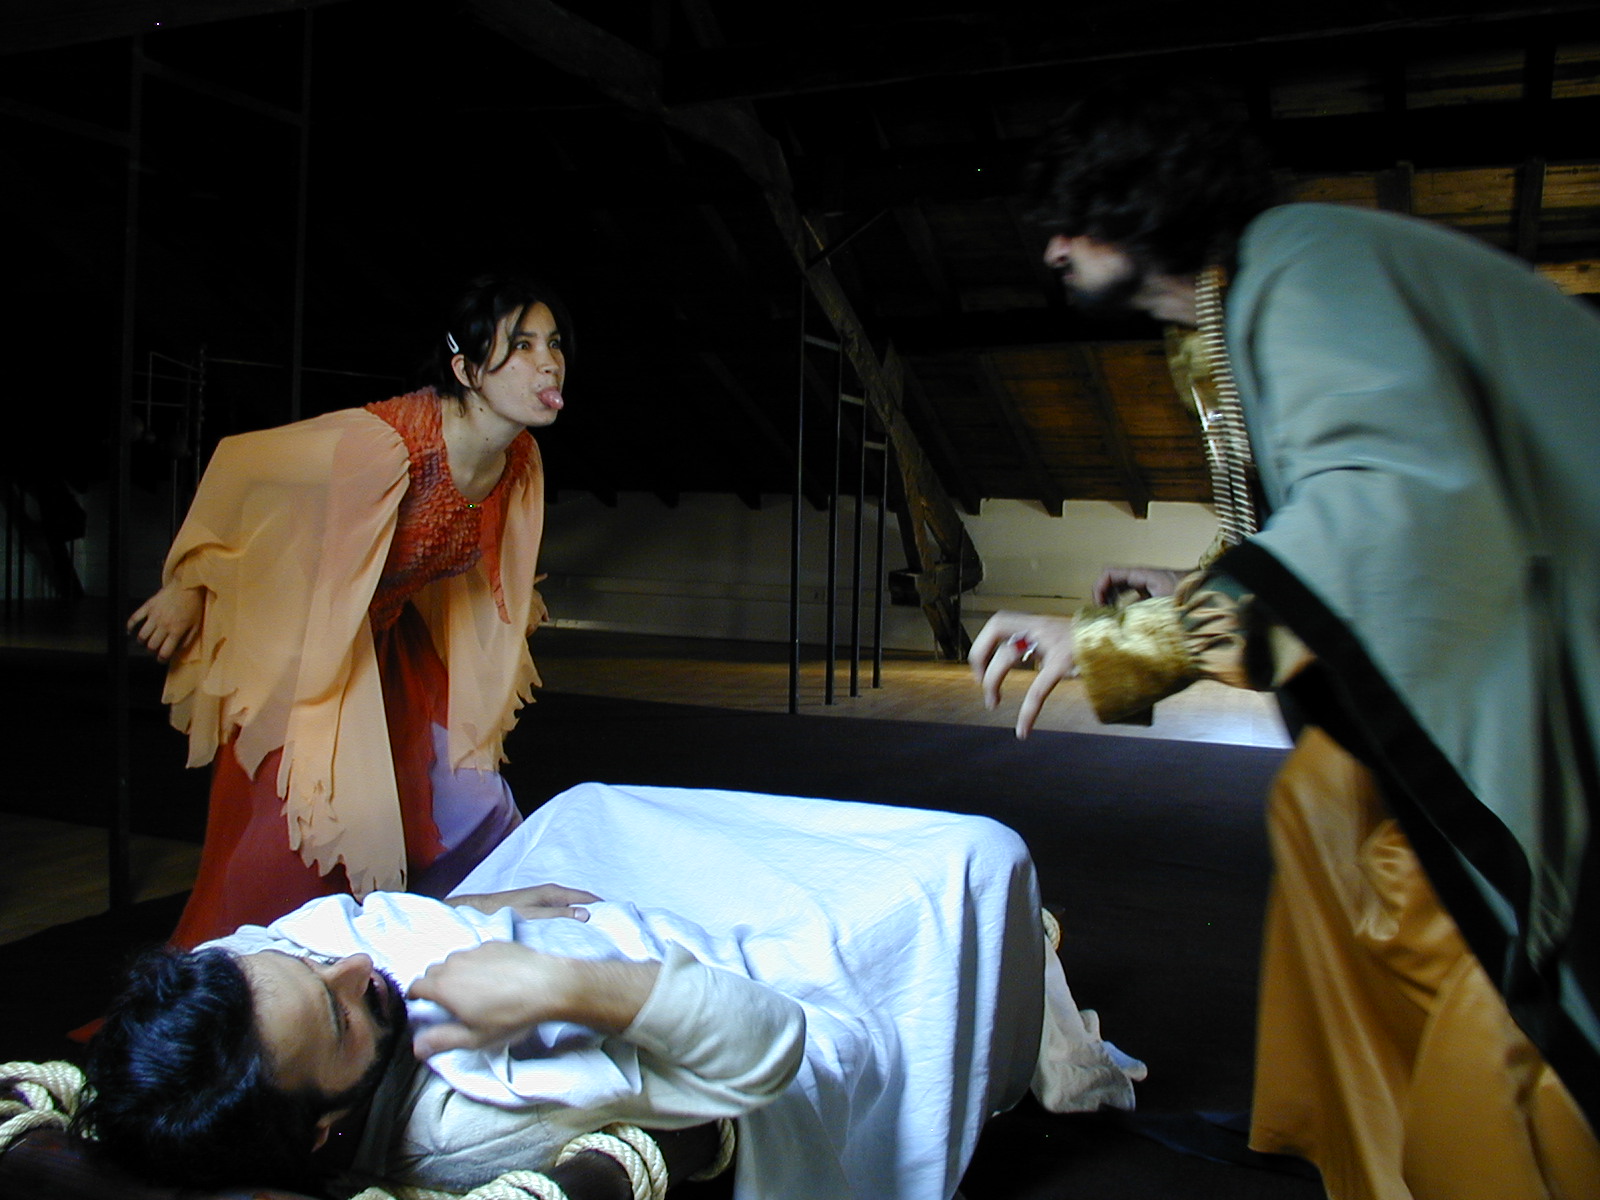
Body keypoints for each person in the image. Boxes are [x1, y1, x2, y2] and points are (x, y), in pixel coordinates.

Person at [968, 83, 1600, 1200]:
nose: (1053, 251)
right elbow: (1318, 514)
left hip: (1549, 656)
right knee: (1319, 800)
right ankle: (1352, 1136)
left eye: (1072, 217)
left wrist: (1131, 638)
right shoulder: (1246, 301)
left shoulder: (1304, 263)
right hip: (1496, 619)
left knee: (1483, 952)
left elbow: (1387, 503)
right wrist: (1184, 588)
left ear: (1144, 200)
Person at [75, 782, 1146, 1200]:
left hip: (550, 915)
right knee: (980, 856)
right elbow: (773, 1046)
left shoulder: (248, 999)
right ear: (323, 1132)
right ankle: (1018, 997)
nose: (354, 970)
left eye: (309, 963)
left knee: (584, 804)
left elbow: (333, 935)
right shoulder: (475, 1123)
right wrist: (566, 985)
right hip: (690, 972)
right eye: (340, 1012)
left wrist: (480, 909)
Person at [127, 274, 568, 947]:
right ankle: (250, 975)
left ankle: (431, 946)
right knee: (306, 837)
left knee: (469, 802)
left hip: (383, 639)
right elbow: (244, 464)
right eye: (523, 346)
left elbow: (487, 574)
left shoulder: (518, 459)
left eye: (554, 344)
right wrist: (191, 580)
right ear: (466, 371)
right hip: (306, 643)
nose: (549, 363)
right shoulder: (388, 445)